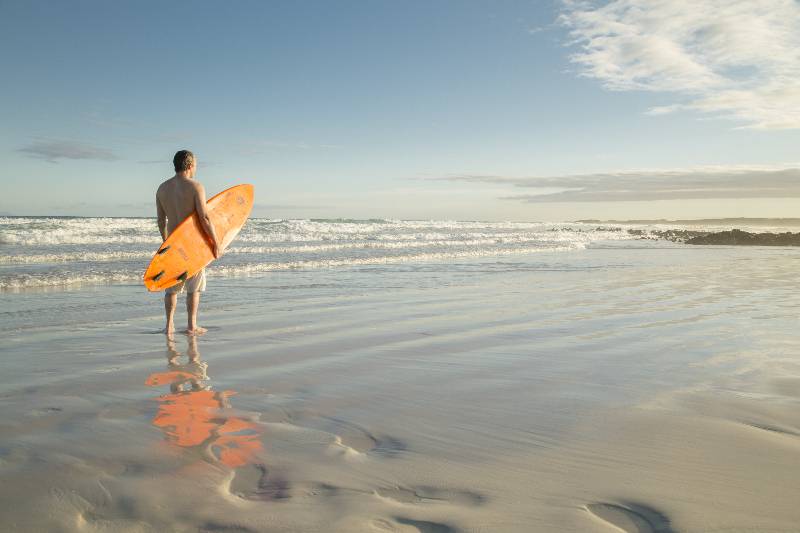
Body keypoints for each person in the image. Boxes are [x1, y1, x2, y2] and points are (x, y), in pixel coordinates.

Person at [156, 150, 221, 336]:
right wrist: (216, 243)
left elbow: (161, 221)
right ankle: (192, 326)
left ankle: (168, 326)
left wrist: (165, 242)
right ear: (190, 165)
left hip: (173, 243)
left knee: (171, 288)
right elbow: (205, 218)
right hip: (193, 245)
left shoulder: (162, 188)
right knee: (194, 287)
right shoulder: (195, 187)